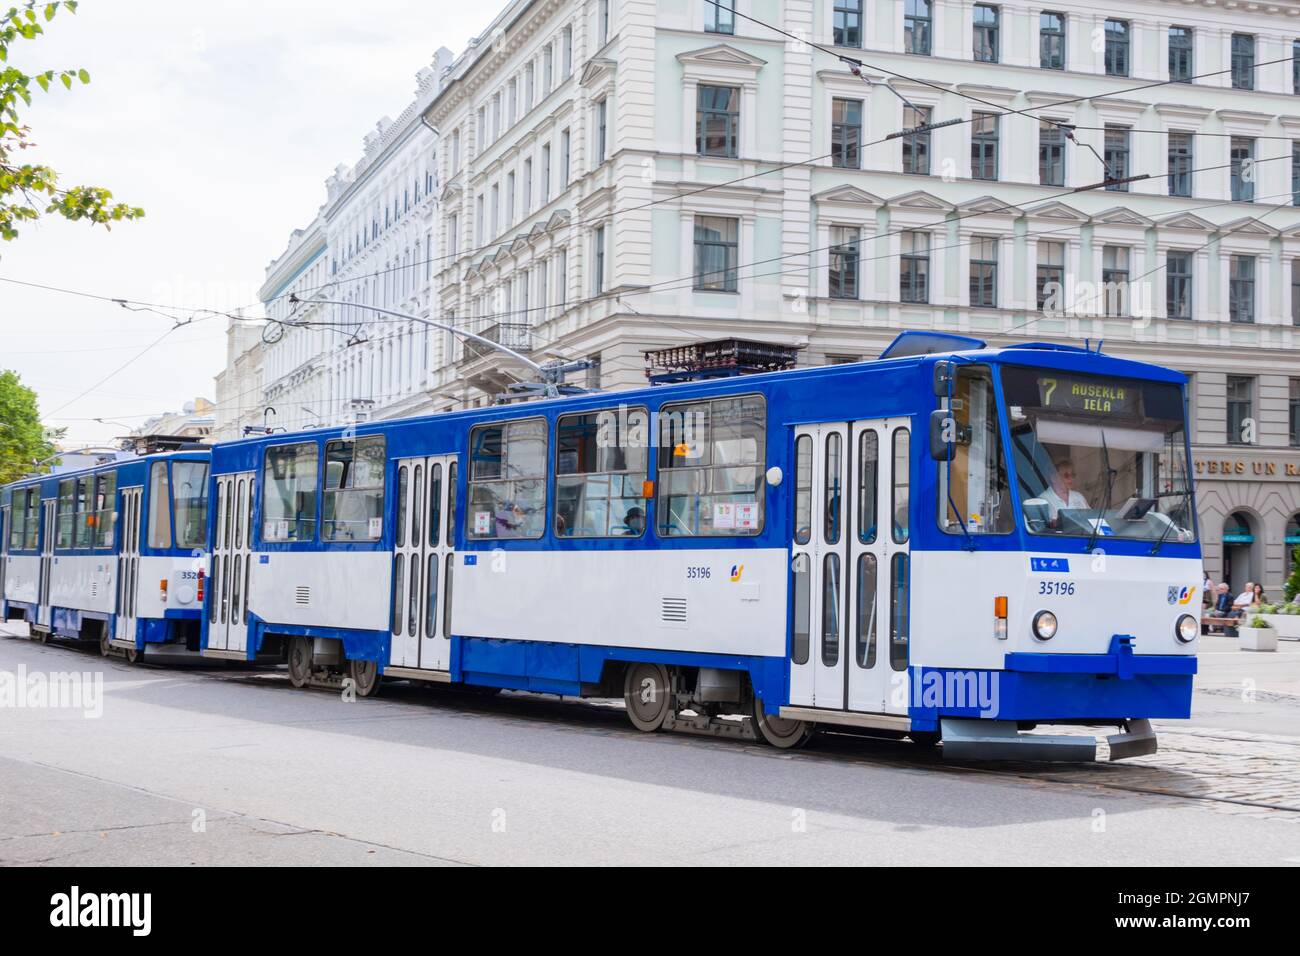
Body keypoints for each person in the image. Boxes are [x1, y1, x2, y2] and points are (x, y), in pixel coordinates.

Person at [1041, 457, 1090, 523]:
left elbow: (1091, 519)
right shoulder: (1044, 500)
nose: (1070, 478)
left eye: (1072, 475)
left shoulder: (1079, 497)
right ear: (1053, 478)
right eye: (1066, 475)